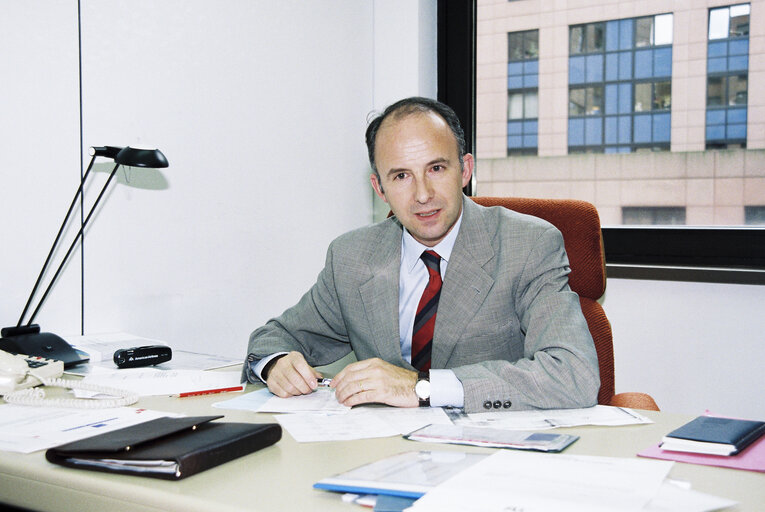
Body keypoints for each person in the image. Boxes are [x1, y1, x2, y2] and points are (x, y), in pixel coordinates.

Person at [242, 97, 599, 413]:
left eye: (437, 168)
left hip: (490, 459)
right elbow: (271, 339)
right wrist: (277, 365)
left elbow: (573, 374)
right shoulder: (351, 257)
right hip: (381, 456)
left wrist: (420, 387)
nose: (423, 194)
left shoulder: (527, 245)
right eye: (401, 176)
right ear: (379, 188)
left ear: (466, 170)